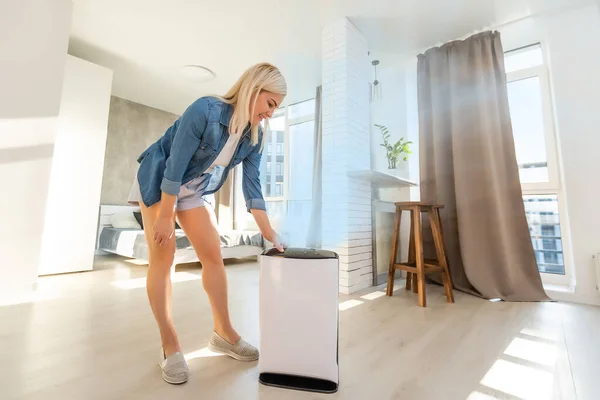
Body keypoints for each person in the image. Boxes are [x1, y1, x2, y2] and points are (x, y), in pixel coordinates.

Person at [127, 62, 286, 384]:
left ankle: (224, 334)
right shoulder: (205, 109)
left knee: (213, 255)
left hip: (193, 189)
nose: (271, 113)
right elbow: (175, 164)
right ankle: (169, 345)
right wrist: (165, 217)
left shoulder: (254, 137)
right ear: (254, 89)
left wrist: (269, 233)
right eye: (270, 103)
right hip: (160, 180)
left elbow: (252, 186)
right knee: (163, 258)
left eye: (276, 108)